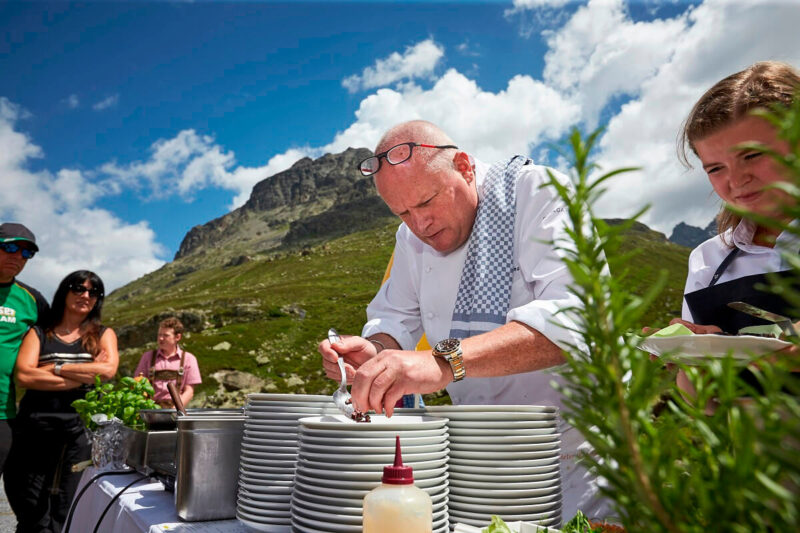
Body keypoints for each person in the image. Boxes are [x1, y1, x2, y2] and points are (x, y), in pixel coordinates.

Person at [318, 120, 608, 521]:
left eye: (426, 202)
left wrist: (441, 363)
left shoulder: (537, 192)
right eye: (401, 212)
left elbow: (577, 318)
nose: (420, 225)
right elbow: (394, 318)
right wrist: (376, 352)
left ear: (465, 167)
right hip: (477, 461)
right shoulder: (409, 240)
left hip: (571, 456)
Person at [670, 61, 800, 395]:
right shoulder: (708, 259)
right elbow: (703, 403)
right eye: (715, 168)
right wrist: (700, 358)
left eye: (752, 154)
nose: (736, 180)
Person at [4, 270, 118, 533]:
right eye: (78, 288)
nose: (85, 295)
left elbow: (108, 370)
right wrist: (84, 374)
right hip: (35, 428)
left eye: (93, 291)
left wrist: (54, 367)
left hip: (79, 432)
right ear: (64, 291)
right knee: (31, 507)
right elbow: (24, 375)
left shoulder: (102, 333)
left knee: (68, 506)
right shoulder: (40, 332)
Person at [0, 223, 49, 479]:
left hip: (2, 415)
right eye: (9, 247)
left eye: (26, 252)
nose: (18, 256)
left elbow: (53, 345)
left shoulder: (31, 299)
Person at [133, 317, 201, 408]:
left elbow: (189, 391)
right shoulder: (147, 357)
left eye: (166, 335)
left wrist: (176, 409)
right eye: (159, 335)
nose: (161, 338)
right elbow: (138, 384)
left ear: (177, 337)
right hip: (151, 409)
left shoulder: (189, 359)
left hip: (176, 410)